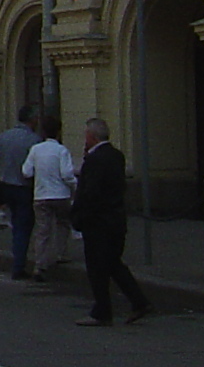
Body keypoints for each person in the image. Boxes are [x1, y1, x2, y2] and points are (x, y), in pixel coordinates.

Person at [72, 119, 152, 326]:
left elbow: (90, 192)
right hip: (115, 219)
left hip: (97, 222)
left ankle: (102, 311)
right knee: (113, 263)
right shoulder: (116, 155)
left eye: (86, 136)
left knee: (97, 268)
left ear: (92, 137)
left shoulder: (94, 160)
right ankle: (139, 301)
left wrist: (79, 216)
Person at [23, 114, 77, 280]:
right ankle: (60, 254)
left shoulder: (35, 149)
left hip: (41, 195)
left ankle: (40, 264)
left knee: (43, 230)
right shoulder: (62, 150)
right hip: (60, 195)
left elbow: (26, 172)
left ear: (43, 132)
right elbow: (67, 174)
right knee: (62, 224)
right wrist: (74, 185)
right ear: (59, 132)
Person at [0, 106, 42, 279]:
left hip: (4, 185)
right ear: (32, 119)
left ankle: (17, 257)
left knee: (15, 223)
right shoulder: (34, 140)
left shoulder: (2, 137)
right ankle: (19, 265)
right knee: (23, 226)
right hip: (24, 187)